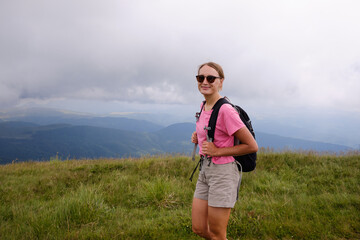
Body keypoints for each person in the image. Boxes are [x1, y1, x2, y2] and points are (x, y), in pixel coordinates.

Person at [191, 62, 258, 240]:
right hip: (205, 170)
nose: (205, 81)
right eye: (201, 77)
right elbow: (215, 131)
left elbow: (251, 146)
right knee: (198, 228)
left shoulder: (226, 110)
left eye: (211, 78)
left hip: (223, 172)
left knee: (217, 233)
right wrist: (199, 136)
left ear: (220, 82)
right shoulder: (204, 105)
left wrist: (216, 151)